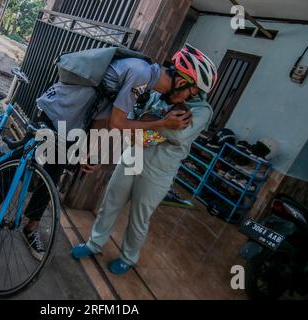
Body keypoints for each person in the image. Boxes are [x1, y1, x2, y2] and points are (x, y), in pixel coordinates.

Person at [0, 45, 203, 261]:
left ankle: (31, 227)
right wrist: (161, 123)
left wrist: (92, 151)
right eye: (190, 92)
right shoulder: (141, 73)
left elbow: (104, 114)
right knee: (22, 160)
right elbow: (118, 123)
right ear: (181, 82)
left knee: (53, 175)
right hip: (58, 110)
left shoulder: (144, 82)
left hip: (75, 124)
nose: (187, 99)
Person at [70, 44, 218, 275]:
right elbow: (131, 117)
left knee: (140, 217)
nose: (188, 94)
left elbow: (175, 133)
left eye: (192, 92)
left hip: (160, 170)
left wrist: (147, 124)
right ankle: (94, 244)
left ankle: (128, 258)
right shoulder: (159, 91)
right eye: (188, 89)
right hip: (133, 155)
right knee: (110, 203)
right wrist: (155, 122)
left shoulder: (202, 111)